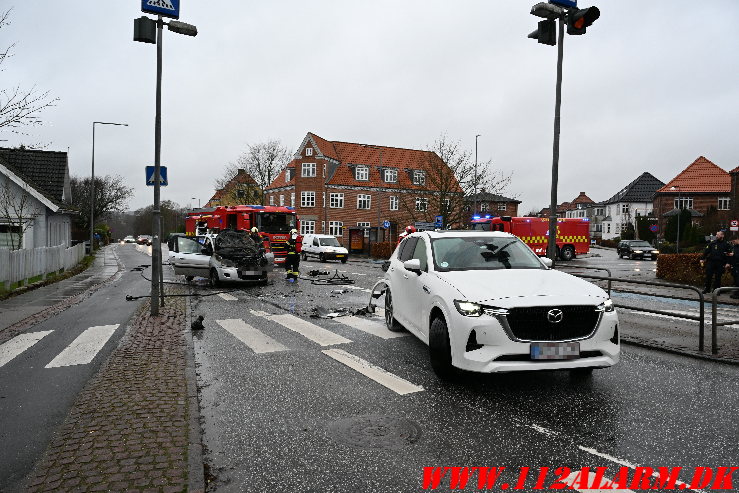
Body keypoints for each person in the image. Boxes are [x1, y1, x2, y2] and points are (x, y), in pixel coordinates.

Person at [700, 230, 731, 294]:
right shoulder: (712, 243)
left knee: (718, 277)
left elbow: (729, 255)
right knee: (708, 275)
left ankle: (716, 291)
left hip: (720, 263)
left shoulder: (726, 244)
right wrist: (702, 258)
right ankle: (707, 289)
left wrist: (728, 263)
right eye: (716, 234)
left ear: (722, 235)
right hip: (711, 262)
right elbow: (706, 251)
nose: (716, 236)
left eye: (718, 235)